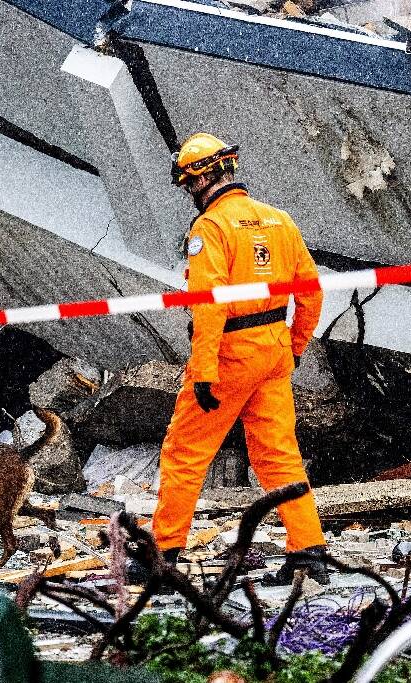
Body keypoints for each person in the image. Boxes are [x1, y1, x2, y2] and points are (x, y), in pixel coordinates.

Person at [153, 133, 328, 585]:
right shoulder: (279, 221)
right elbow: (310, 291)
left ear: (200, 179)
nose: (189, 194)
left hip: (229, 354)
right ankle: (308, 551)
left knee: (186, 451)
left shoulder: (210, 228)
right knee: (279, 454)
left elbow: (208, 305)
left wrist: (204, 372)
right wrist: (294, 346)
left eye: (188, 185)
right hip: (272, 349)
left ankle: (165, 552)